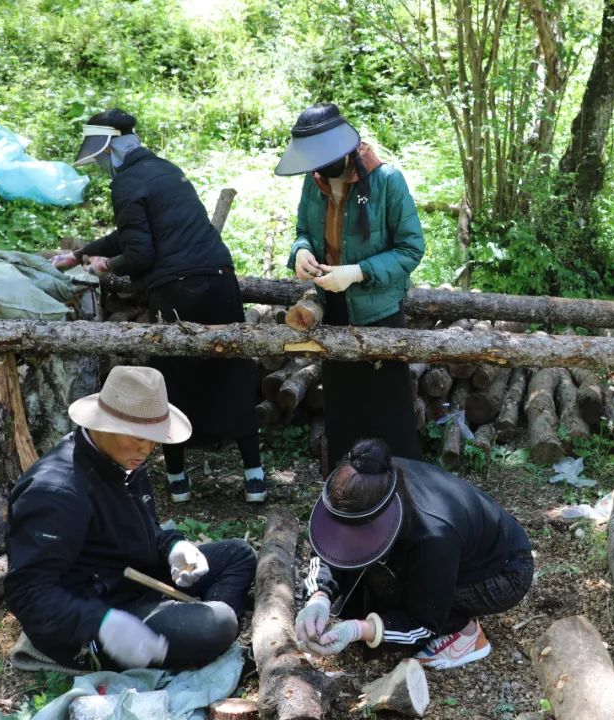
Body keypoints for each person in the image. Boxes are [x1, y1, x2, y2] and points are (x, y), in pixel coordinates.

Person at [52, 108, 265, 503]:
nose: (101, 165)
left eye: (101, 158)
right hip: (220, 279)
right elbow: (134, 231)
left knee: (173, 378)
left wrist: (107, 267)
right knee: (233, 369)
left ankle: (178, 480)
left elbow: (140, 253)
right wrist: (82, 253)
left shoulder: (127, 183)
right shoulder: (165, 169)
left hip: (177, 291)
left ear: (111, 148)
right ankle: (255, 478)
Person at [5, 366, 257, 671]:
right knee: (215, 625)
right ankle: (198, 633)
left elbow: (142, 527)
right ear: (104, 424)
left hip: (136, 579)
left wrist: (174, 546)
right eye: (139, 437)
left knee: (238, 555)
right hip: (94, 620)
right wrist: (102, 623)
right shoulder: (56, 492)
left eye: (154, 439)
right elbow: (27, 592)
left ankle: (196, 629)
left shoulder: (124, 458)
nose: (147, 449)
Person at [292, 439, 533, 670]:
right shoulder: (372, 476)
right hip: (454, 549)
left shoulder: (432, 536)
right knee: (378, 583)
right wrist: (318, 596)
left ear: (379, 521)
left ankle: (465, 634)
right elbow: (329, 547)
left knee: (399, 594)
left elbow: (423, 623)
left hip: (505, 573)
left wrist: (359, 629)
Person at [276, 103, 424, 470]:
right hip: (334, 311)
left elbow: (410, 249)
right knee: (343, 408)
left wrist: (357, 271)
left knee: (388, 412)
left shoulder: (387, 181)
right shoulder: (314, 184)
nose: (318, 167)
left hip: (379, 314)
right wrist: (301, 252)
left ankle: (401, 487)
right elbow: (303, 233)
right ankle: (346, 486)